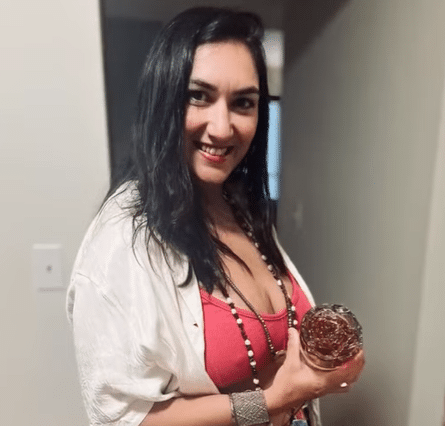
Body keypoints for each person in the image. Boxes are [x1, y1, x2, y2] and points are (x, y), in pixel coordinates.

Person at [67, 7, 364, 426]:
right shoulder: (122, 240)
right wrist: (276, 399)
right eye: (199, 96)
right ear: (163, 99)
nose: (222, 128)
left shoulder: (237, 202)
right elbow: (124, 418)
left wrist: (321, 364)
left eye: (243, 103)